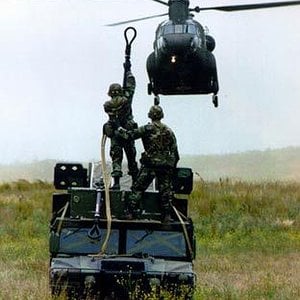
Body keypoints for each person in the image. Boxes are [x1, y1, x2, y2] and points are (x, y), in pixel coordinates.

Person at [123, 105, 179, 223]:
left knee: (138, 188)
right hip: (165, 166)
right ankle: (166, 216)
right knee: (165, 191)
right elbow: (175, 152)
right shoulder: (169, 131)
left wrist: (118, 128)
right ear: (161, 115)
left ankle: (130, 213)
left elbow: (128, 136)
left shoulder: (147, 129)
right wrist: (171, 167)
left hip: (150, 165)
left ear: (150, 115)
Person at [103, 70, 139, 189]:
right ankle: (135, 182)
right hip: (127, 133)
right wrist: (128, 72)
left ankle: (117, 183)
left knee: (116, 158)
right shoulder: (126, 99)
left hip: (115, 133)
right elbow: (131, 86)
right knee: (131, 157)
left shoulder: (108, 105)